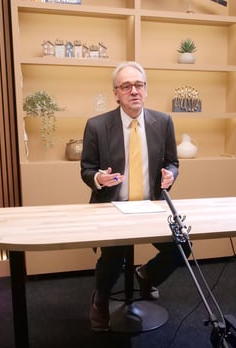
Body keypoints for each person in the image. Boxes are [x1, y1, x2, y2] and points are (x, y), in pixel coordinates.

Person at [80, 61, 190, 332]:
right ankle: (100, 299)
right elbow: (87, 169)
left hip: (151, 206)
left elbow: (173, 162)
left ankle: (147, 274)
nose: (134, 91)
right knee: (114, 256)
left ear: (146, 90)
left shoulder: (163, 122)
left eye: (138, 85)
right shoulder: (97, 126)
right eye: (126, 86)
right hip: (113, 207)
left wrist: (171, 174)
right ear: (116, 93)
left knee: (182, 247)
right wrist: (99, 179)